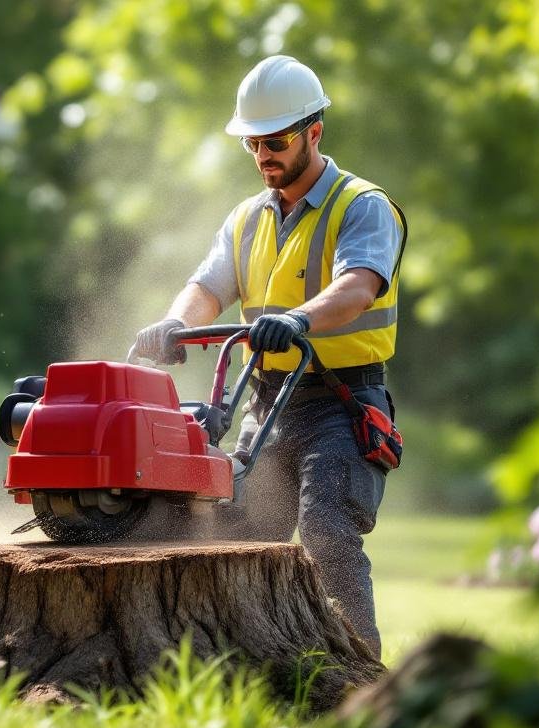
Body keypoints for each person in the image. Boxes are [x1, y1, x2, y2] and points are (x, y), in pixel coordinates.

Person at [131, 55, 406, 657]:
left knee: (328, 532)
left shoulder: (362, 205)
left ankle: (360, 679)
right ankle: (244, 668)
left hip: (342, 401)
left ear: (314, 131)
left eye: (276, 140)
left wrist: (299, 318)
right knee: (234, 536)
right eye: (253, 143)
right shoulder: (246, 219)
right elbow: (207, 287)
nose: (263, 156)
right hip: (266, 404)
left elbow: (358, 285)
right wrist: (177, 323)